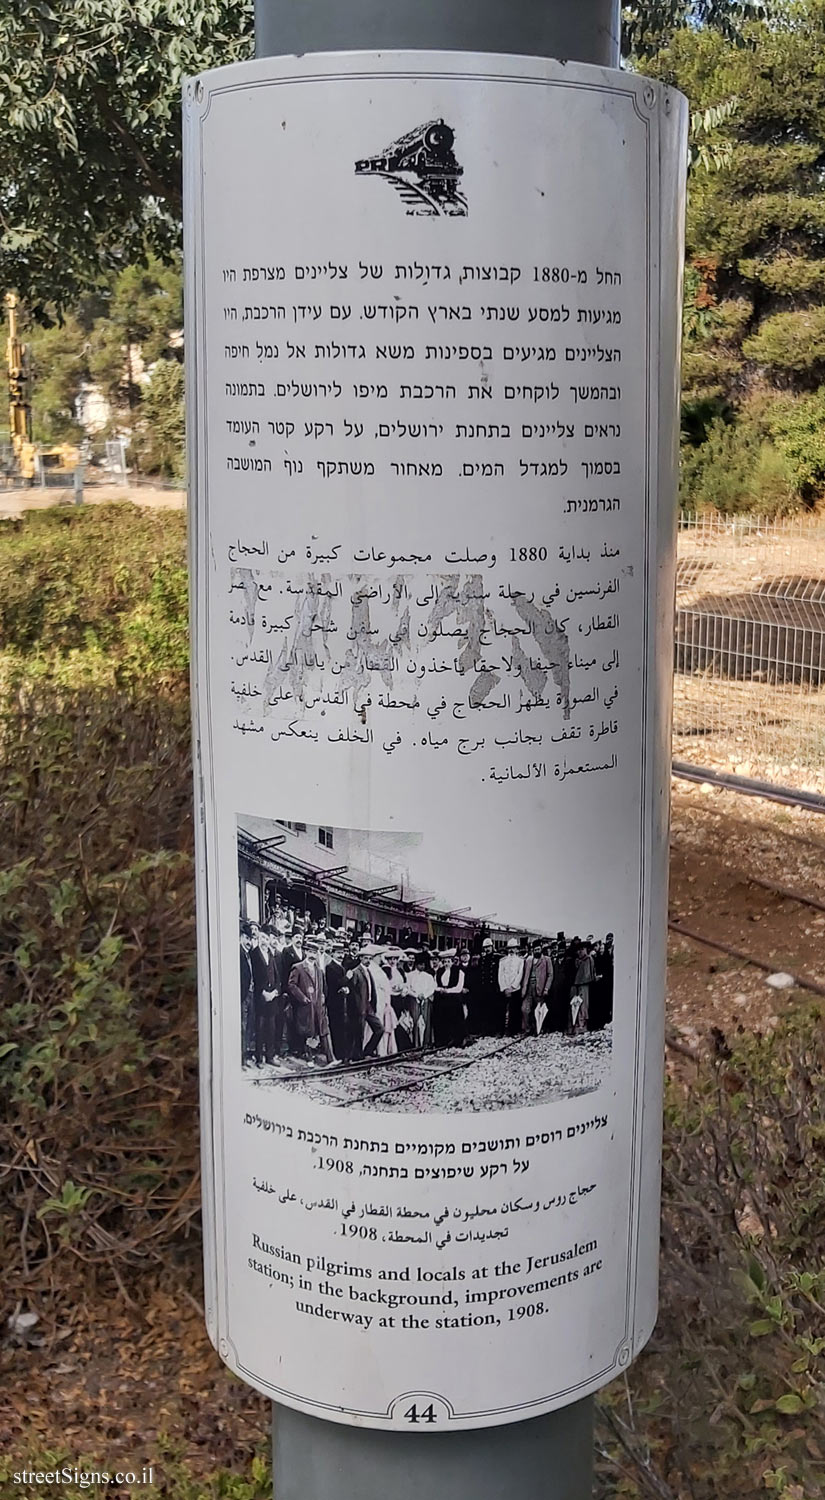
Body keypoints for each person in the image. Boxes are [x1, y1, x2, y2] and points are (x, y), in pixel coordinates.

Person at [288, 936, 336, 1064]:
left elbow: (323, 987)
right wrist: (302, 998)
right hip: (306, 1006)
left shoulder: (319, 970)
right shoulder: (298, 967)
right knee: (308, 1032)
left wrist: (322, 998)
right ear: (305, 951)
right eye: (310, 951)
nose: (312, 954)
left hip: (318, 1006)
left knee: (323, 1032)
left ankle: (331, 1059)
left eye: (314, 952)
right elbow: (291, 985)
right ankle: (309, 1058)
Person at [348, 945, 384, 1061]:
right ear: (361, 958)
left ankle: (368, 1050)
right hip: (359, 1007)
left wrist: (372, 1004)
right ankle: (357, 1056)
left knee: (379, 1029)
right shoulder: (356, 972)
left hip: (369, 1006)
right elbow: (352, 992)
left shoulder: (369, 971)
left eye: (370, 958)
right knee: (359, 1032)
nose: (368, 960)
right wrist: (356, 1007)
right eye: (366, 958)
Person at [251, 925, 280, 1066]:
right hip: (260, 997)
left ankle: (270, 1056)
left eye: (267, 939)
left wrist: (275, 992)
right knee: (260, 1029)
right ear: (259, 937)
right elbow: (254, 977)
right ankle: (259, 1058)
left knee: (271, 1029)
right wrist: (263, 993)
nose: (265, 941)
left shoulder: (271, 955)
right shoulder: (254, 954)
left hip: (272, 998)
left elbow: (276, 976)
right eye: (263, 937)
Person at [467, 936, 500, 1036]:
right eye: (485, 947)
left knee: (493, 1010)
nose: (487, 949)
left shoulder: (497, 958)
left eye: (488, 947)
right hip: (484, 988)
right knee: (485, 1009)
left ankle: (494, 1030)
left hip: (493, 987)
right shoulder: (482, 960)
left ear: (492, 946)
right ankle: (485, 1030)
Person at [324, 942, 350, 1062]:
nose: (341, 955)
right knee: (336, 1028)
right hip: (334, 1003)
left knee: (343, 1029)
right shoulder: (330, 967)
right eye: (338, 953)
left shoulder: (341, 966)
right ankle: (338, 1055)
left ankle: (342, 1054)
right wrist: (347, 979)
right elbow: (335, 984)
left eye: (342, 953)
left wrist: (345, 988)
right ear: (333, 954)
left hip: (341, 1003)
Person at [520, 939, 553, 1034]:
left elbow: (550, 975)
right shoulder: (528, 960)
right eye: (535, 950)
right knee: (525, 1009)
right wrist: (524, 988)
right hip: (529, 987)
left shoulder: (547, 960)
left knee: (539, 1010)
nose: (537, 951)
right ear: (532, 950)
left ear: (541, 949)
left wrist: (546, 988)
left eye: (538, 949)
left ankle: (539, 1029)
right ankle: (528, 1029)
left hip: (540, 988)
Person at [405, 950, 436, 1048]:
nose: (422, 967)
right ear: (416, 964)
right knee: (415, 1021)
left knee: (426, 1022)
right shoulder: (409, 975)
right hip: (414, 1000)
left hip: (425, 1000)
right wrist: (416, 995)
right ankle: (415, 1043)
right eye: (420, 965)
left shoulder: (428, 976)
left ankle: (426, 1043)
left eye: (423, 965)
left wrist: (425, 995)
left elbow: (432, 988)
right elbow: (407, 988)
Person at [498, 937, 524, 1035]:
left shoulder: (520, 961)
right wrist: (504, 988)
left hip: (515, 988)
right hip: (505, 988)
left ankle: (513, 1031)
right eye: (510, 948)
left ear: (517, 949)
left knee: (514, 1010)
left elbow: (520, 974)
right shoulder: (503, 961)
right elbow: (500, 975)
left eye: (513, 948)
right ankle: (501, 1030)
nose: (511, 950)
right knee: (502, 1010)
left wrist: (512, 987)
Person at [570, 942, 595, 1036]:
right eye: (579, 950)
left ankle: (583, 1024)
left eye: (582, 949)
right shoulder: (577, 960)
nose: (580, 952)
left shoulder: (589, 959)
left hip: (585, 984)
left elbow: (590, 973)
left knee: (584, 1005)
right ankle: (578, 1024)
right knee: (577, 1004)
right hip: (577, 984)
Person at [239, 921, 255, 1067]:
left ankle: (246, 1055)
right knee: (242, 1027)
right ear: (241, 938)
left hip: (250, 995)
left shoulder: (248, 954)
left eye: (250, 939)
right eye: (247, 938)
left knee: (249, 1026)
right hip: (243, 995)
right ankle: (241, 1059)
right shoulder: (239, 953)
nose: (249, 942)